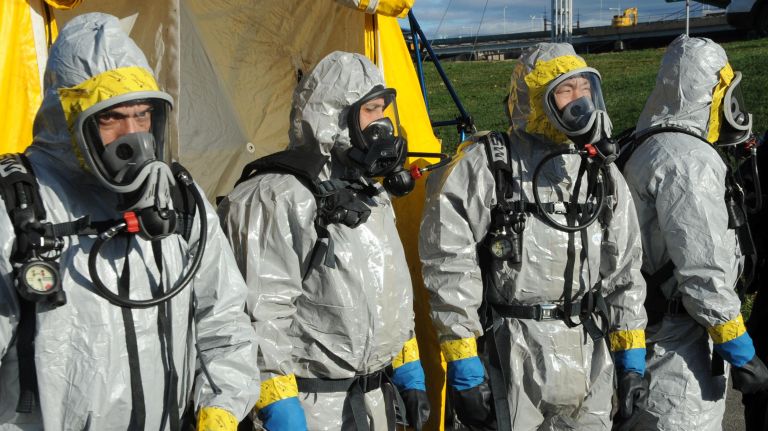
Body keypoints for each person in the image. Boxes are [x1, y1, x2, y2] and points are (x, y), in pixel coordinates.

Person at [0, 13, 260, 430]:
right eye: (111, 118)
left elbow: (223, 318)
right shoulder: (19, 208)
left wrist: (222, 406)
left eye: (143, 116)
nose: (133, 135)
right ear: (68, 119)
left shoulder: (179, 203)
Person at [419, 42, 648, 430]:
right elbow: (448, 263)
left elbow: (624, 268)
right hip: (512, 351)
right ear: (536, 100)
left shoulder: (599, 171)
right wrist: (463, 361)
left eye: (584, 88)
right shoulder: (488, 163)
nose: (579, 101)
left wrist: (631, 360)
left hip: (587, 348)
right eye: (565, 90)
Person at [218, 51, 430, 431]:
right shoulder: (276, 198)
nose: (381, 125)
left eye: (383, 110)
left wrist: (408, 368)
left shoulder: (371, 196)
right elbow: (259, 314)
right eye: (370, 111)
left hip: (375, 403)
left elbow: (391, 292)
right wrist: (279, 406)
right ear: (336, 115)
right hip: (313, 408)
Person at [621, 34, 768, 430]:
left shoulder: (641, 144)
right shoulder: (690, 162)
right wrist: (742, 352)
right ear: (712, 93)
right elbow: (704, 271)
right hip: (680, 353)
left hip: (643, 336)